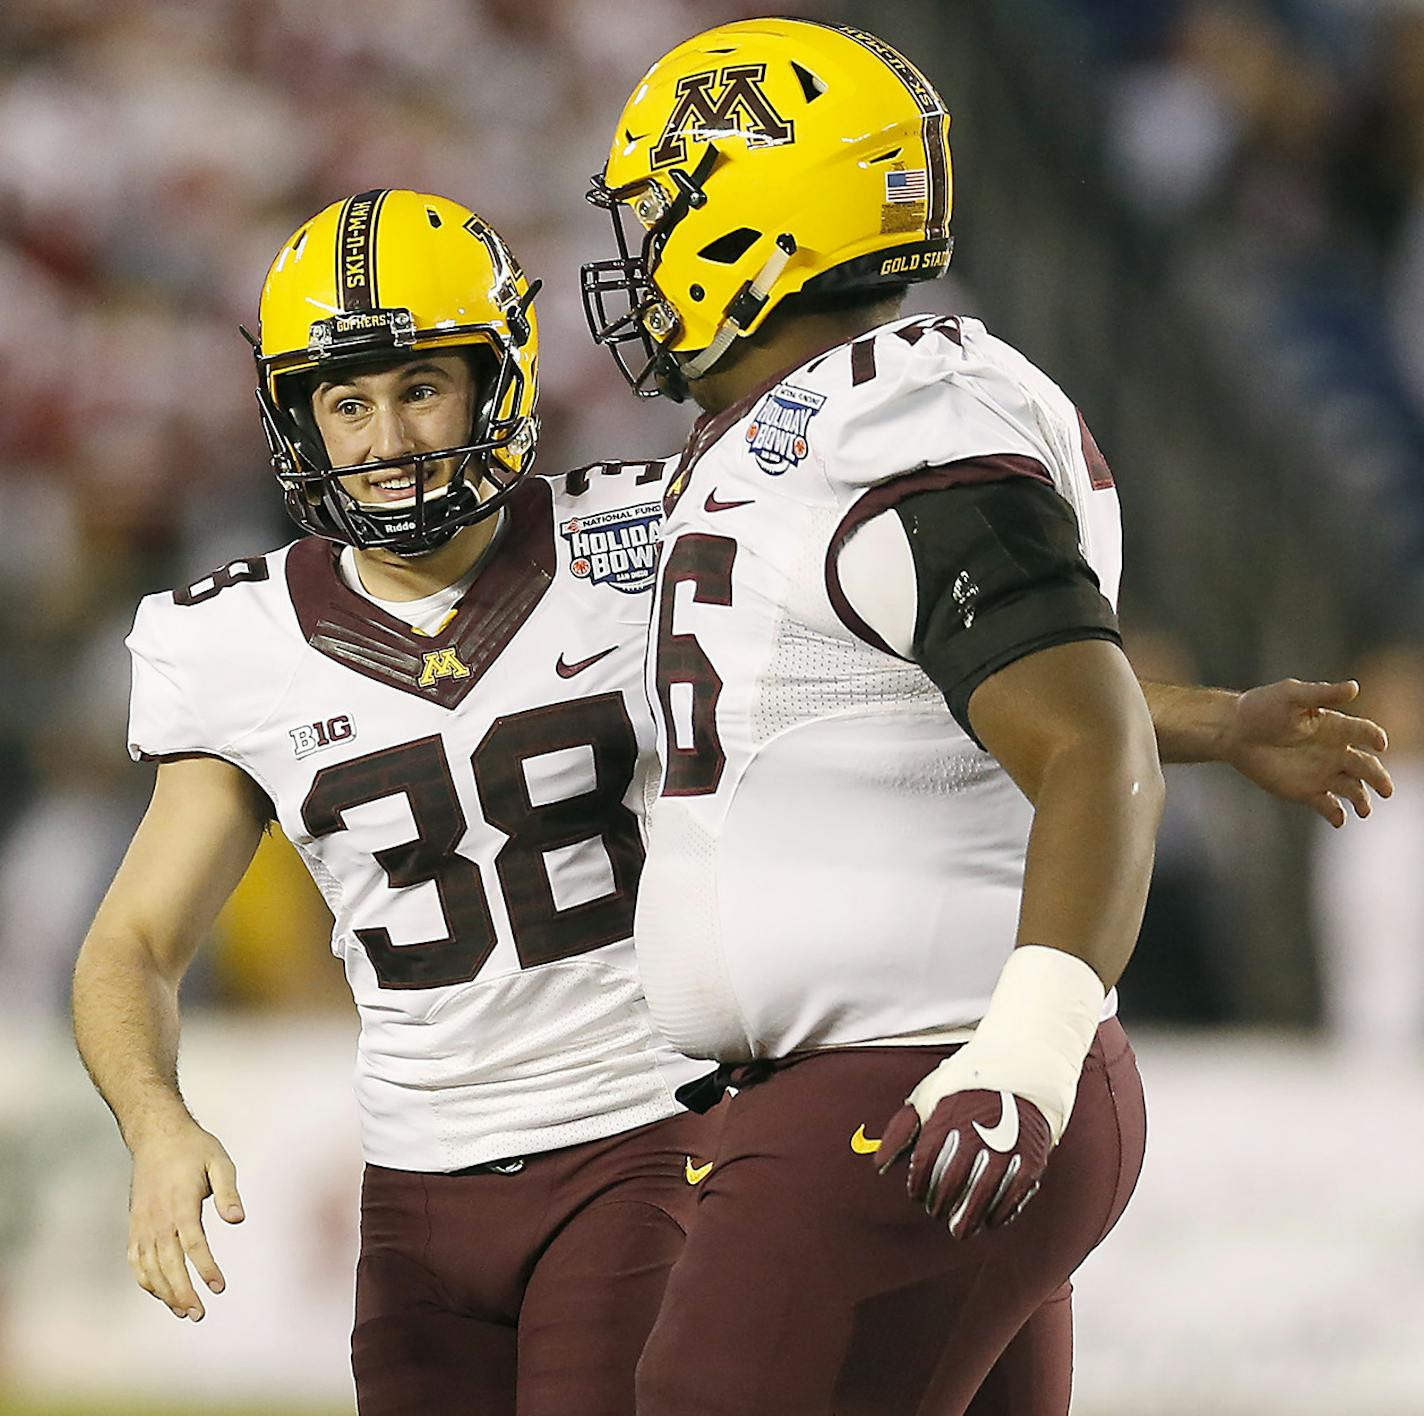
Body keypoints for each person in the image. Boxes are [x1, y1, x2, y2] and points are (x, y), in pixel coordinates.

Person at [580, 19, 1393, 1415]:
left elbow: (1080, 740)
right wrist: (1202, 717)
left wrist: (1020, 1055)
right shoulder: (820, 429)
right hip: (899, 1085)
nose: (641, 255)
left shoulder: (903, 434)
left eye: (662, 212)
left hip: (913, 1090)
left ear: (749, 227)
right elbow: (984, 684)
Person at [71, 189, 716, 1416]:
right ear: (297, 420)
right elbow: (131, 945)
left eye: (421, 386)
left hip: (644, 1132)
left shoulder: (649, 538)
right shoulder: (236, 642)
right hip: (415, 1187)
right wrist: (155, 1123)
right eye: (346, 402)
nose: (384, 437)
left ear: (495, 381)